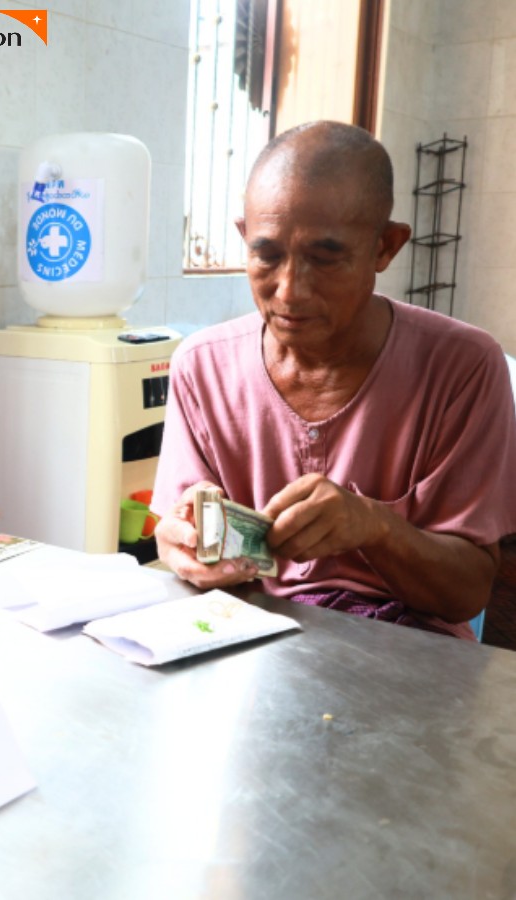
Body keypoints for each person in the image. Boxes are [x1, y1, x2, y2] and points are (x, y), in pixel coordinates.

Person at [153, 120, 516, 639]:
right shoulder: (201, 367)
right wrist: (182, 547)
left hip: (409, 655)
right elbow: (178, 534)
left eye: (325, 259)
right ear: (244, 240)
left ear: (385, 248)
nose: (290, 291)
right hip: (247, 640)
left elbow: (467, 594)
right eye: (267, 255)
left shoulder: (462, 367)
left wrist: (374, 527)